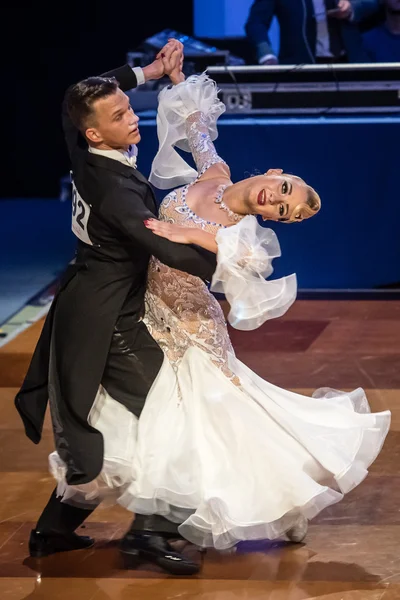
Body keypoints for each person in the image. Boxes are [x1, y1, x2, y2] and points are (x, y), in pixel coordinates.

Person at [48, 56, 391, 556]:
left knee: (204, 416)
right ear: (276, 172)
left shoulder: (241, 232)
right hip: (148, 309)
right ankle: (137, 523)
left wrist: (187, 231)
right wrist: (171, 75)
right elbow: (196, 123)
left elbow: (238, 258)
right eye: (285, 189)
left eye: (283, 211)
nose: (276, 200)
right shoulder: (215, 171)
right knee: (183, 418)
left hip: (189, 322)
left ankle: (176, 520)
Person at [15, 40, 217, 576]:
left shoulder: (84, 148)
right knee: (172, 406)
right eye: (119, 115)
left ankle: (51, 534)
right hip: (108, 317)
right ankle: (150, 535)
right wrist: (226, 261)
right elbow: (163, 244)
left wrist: (147, 71)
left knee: (113, 424)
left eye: (129, 108)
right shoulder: (115, 190)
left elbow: (79, 94)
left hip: (90, 302)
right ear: (95, 133)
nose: (133, 117)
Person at [245, 0, 380, 65]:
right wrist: (266, 54)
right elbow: (256, 22)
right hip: (300, 69)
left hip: (351, 65)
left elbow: (376, 3)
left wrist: (352, 8)